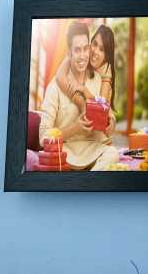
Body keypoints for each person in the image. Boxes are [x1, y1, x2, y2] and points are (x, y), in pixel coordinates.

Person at [39, 21, 119, 171]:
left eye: (85, 48)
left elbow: (104, 107)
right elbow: (43, 137)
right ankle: (89, 182)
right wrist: (75, 128)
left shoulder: (99, 80)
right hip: (65, 152)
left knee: (113, 154)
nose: (83, 56)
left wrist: (111, 120)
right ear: (69, 52)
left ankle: (87, 183)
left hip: (92, 150)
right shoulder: (56, 85)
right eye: (77, 50)